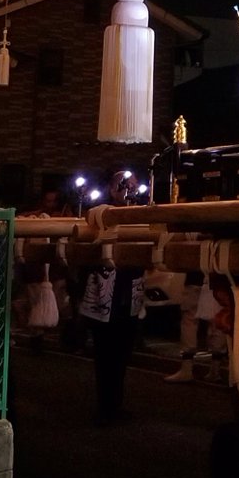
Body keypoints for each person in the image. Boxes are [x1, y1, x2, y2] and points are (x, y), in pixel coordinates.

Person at [77, 170, 145, 425]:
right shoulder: (100, 214)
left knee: (122, 354)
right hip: (106, 295)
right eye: (123, 185)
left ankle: (115, 404)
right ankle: (105, 406)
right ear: (111, 187)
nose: (129, 190)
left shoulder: (141, 215)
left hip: (129, 293)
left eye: (133, 186)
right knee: (105, 355)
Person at [164, 272, 226, 384]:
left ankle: (187, 368)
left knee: (189, 321)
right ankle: (215, 369)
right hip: (217, 278)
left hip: (196, 278)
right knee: (217, 322)